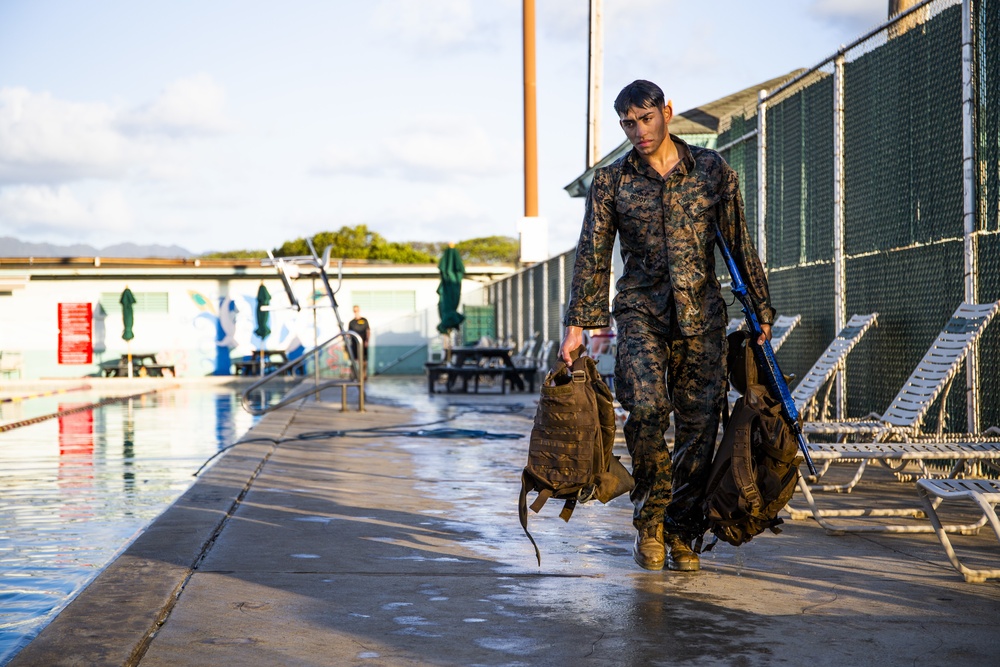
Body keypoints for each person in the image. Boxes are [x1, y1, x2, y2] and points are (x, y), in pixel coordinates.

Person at [559, 80, 776, 573]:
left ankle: (682, 531)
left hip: (703, 317)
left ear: (667, 113)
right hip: (642, 316)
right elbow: (592, 255)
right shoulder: (611, 182)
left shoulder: (712, 171)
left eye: (646, 118)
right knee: (649, 411)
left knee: (700, 427)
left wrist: (759, 307)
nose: (638, 130)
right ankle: (650, 524)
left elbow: (739, 243)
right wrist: (578, 325)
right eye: (628, 123)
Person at [347, 305, 371, 375]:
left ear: (359, 310)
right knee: (355, 359)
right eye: (355, 311)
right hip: (354, 343)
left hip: (363, 343)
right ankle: (356, 374)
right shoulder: (351, 322)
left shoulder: (364, 320)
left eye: (357, 310)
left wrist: (367, 341)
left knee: (363, 359)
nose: (356, 312)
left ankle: (364, 374)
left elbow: (368, 331)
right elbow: (349, 334)